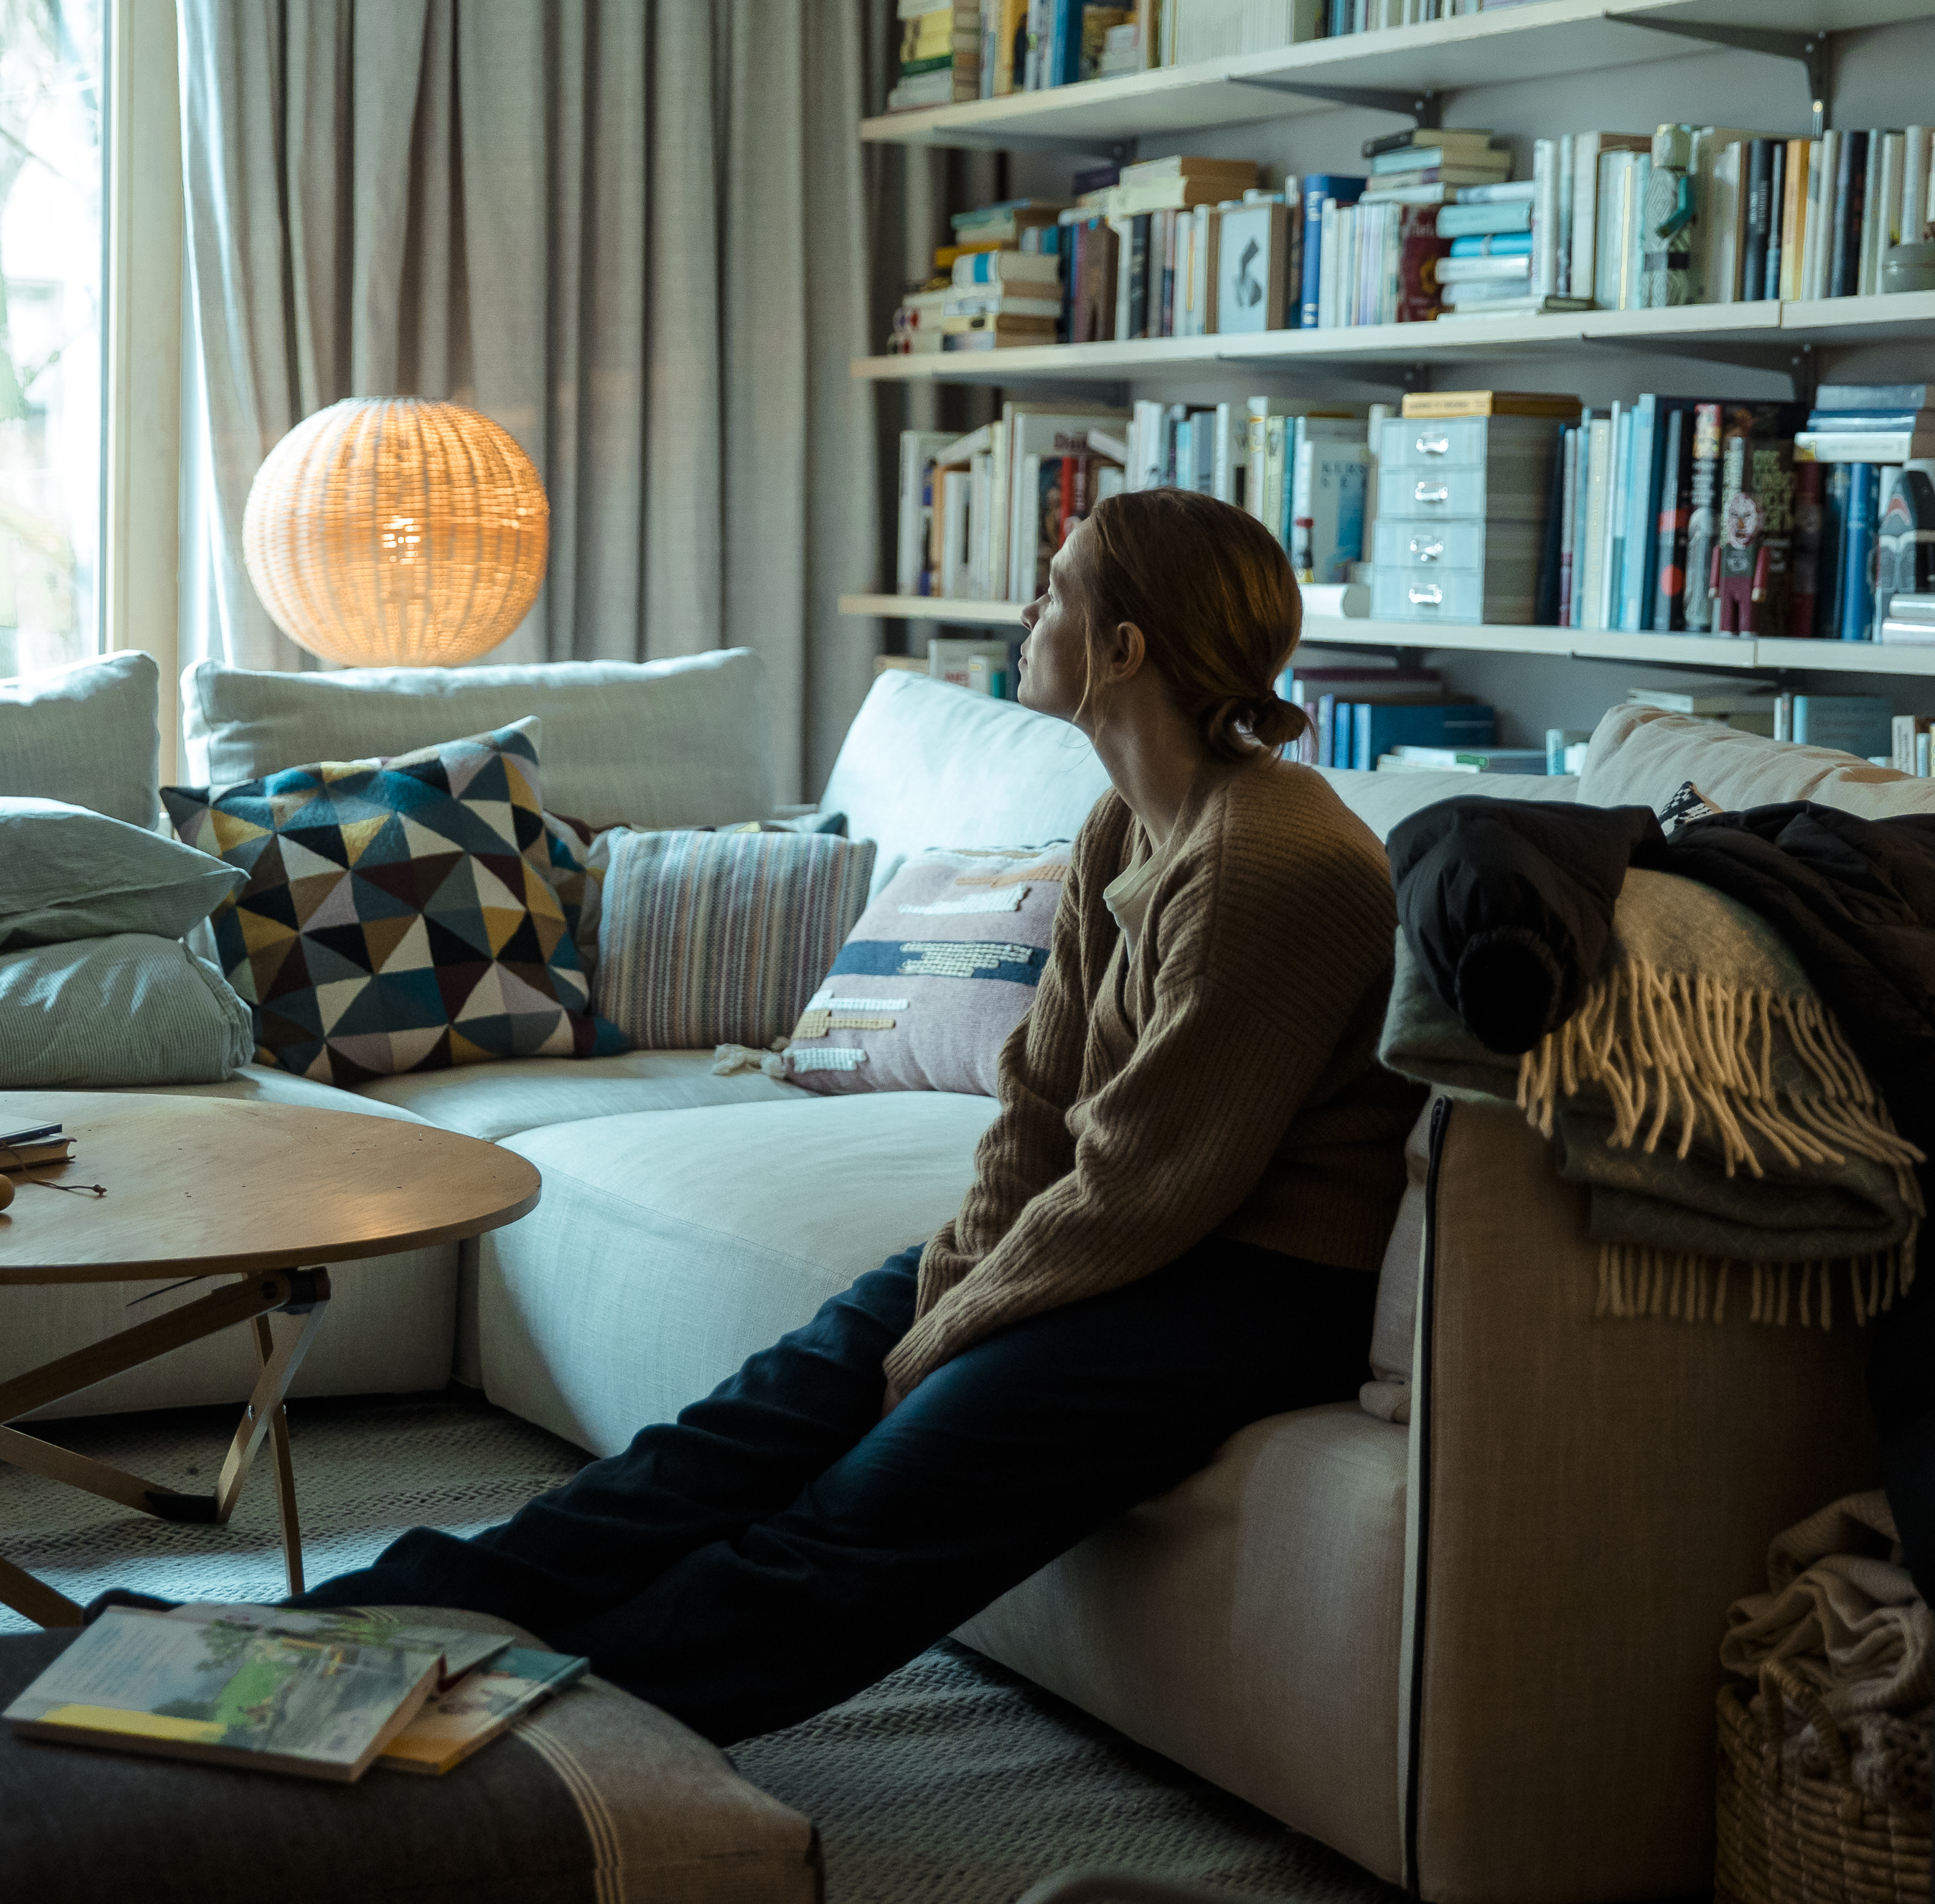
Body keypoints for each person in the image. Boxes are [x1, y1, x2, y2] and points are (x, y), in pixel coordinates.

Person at [295, 488, 1421, 1744]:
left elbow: (1144, 1187)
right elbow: (1041, 1110)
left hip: (1252, 1283)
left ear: (1123, 648)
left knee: (848, 1528)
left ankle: (524, 1744)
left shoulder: (1266, 863)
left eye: (1053, 585)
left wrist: (945, 1335)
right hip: (1138, 1237)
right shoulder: (1120, 822)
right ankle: (339, 1630)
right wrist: (943, 1290)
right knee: (744, 1424)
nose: (1026, 608)